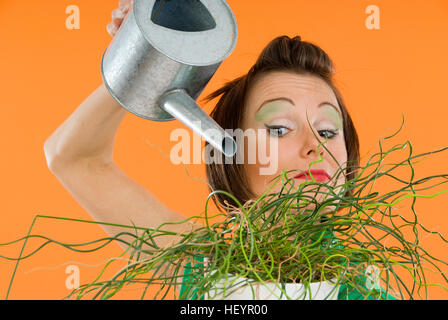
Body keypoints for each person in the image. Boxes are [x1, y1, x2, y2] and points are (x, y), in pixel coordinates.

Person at [44, 0, 396, 300]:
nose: (314, 147)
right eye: (279, 128)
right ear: (230, 154)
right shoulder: (195, 260)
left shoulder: (364, 285)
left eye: (327, 130)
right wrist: (137, 58)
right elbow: (73, 157)